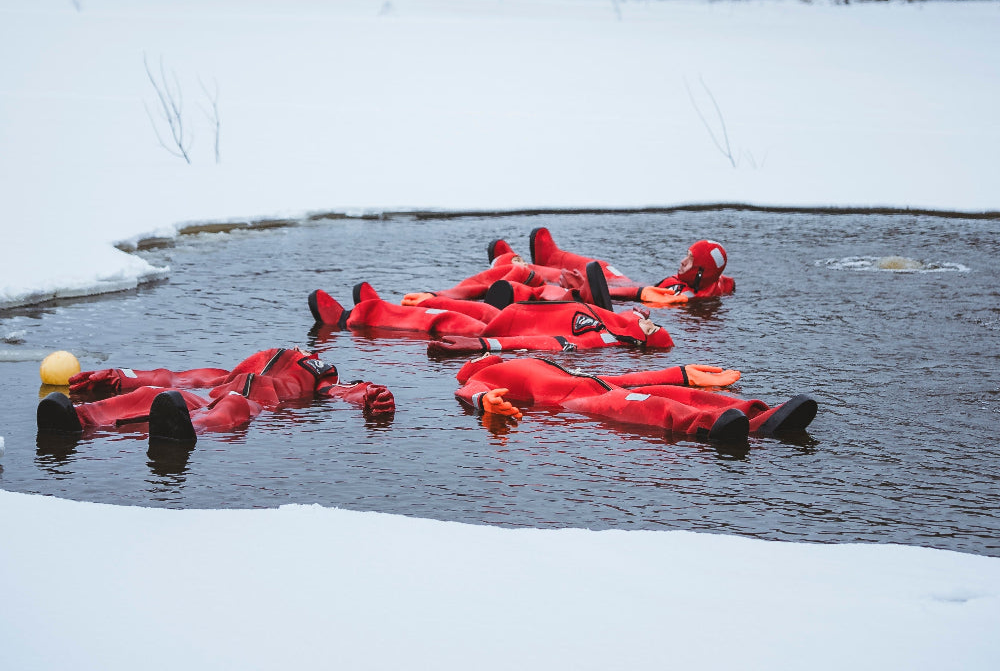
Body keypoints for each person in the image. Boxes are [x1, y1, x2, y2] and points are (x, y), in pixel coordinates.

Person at [37, 346, 395, 444]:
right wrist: (122, 376)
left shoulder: (321, 378)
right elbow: (184, 377)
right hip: (213, 393)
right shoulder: (246, 367)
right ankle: (76, 418)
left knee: (234, 404)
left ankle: (181, 430)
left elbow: (346, 391)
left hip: (261, 404)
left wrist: (371, 395)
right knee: (155, 391)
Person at [453, 354, 817, 444]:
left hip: (601, 387)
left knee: (680, 394)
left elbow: (615, 378)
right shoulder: (480, 375)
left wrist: (677, 374)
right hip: (576, 404)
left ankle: (763, 416)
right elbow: (468, 392)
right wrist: (483, 401)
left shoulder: (527, 361)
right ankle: (710, 429)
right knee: (655, 407)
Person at [308, 276, 674, 355]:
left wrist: (484, 343)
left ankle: (347, 320)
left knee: (440, 320)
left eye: (650, 327)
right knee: (462, 305)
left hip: (503, 327)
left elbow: (548, 342)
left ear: (641, 339)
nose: (649, 319)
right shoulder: (621, 320)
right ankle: (381, 305)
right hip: (511, 313)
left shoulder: (605, 337)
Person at [493, 228, 735, 306]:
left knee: (572, 276)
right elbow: (726, 280)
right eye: (686, 255)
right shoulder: (717, 283)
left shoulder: (682, 296)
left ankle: (511, 264)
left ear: (702, 272)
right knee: (601, 265)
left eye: (690, 260)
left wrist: (590, 287)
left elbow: (642, 299)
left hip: (623, 291)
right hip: (630, 283)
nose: (683, 261)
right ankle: (551, 256)